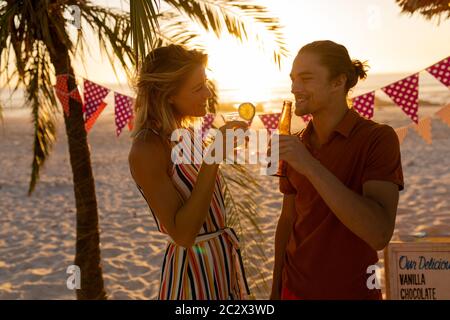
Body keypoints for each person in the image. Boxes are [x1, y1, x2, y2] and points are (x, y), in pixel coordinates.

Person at [271, 40, 404, 300]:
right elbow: (287, 220)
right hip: (293, 291)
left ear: (337, 82)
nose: (294, 88)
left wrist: (309, 165)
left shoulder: (378, 139)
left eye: (306, 78)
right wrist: (276, 290)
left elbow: (379, 233)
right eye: (293, 79)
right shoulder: (295, 143)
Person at [128, 45, 250, 300]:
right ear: (168, 95)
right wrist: (214, 156)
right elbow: (183, 234)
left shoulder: (188, 135)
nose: (207, 93)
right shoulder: (146, 149)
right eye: (197, 88)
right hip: (193, 274)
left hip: (220, 262)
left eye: (205, 83)